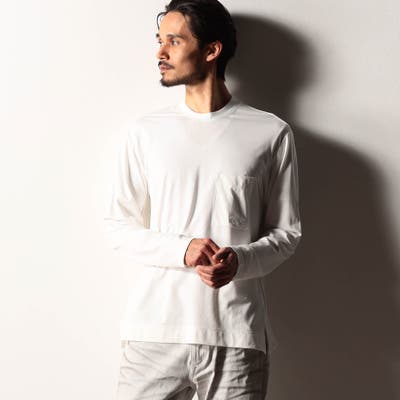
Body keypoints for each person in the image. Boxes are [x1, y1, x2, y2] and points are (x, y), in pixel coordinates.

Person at [104, 0, 302, 398]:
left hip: (237, 336)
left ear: (211, 50)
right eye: (160, 41)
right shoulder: (145, 132)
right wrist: (184, 249)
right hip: (154, 332)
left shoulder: (270, 132)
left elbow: (287, 234)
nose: (160, 53)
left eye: (174, 41)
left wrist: (240, 260)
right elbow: (118, 227)